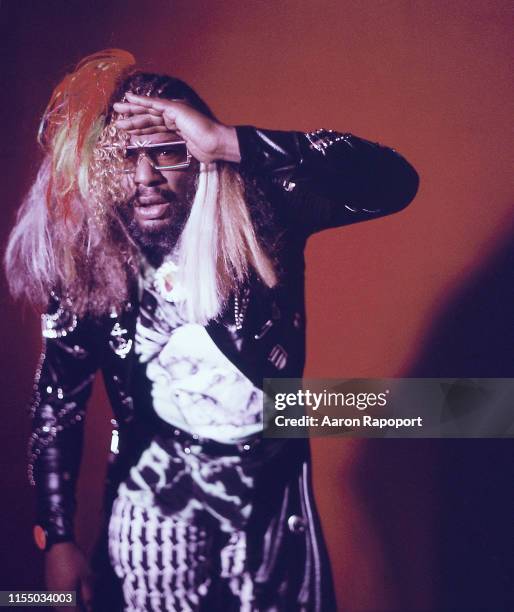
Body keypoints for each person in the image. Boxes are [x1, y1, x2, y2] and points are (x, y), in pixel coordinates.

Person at [5, 49, 419, 611]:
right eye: (125, 158)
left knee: (458, 409)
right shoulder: (91, 260)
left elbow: (393, 181)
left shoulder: (259, 211)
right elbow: (59, 405)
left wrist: (230, 142)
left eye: (166, 152)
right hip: (159, 489)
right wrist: (56, 536)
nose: (146, 177)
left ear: (194, 154)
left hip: (266, 480)